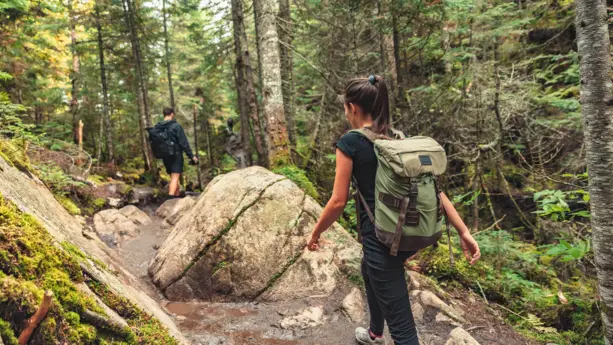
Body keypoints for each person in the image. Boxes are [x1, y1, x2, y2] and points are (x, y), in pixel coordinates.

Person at [306, 75, 481, 345]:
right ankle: (375, 333)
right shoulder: (397, 140)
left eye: (345, 107)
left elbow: (338, 201)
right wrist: (464, 230)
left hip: (382, 240)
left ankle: (385, 332)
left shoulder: (350, 143)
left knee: (404, 333)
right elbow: (436, 191)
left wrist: (315, 233)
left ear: (352, 107)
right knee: (368, 268)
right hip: (408, 233)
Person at [155, 107, 198, 197]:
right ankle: (170, 199)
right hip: (176, 155)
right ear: (171, 114)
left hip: (165, 155)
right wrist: (191, 156)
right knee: (175, 177)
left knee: (173, 177)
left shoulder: (158, 127)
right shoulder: (176, 126)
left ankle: (177, 196)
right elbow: (183, 143)